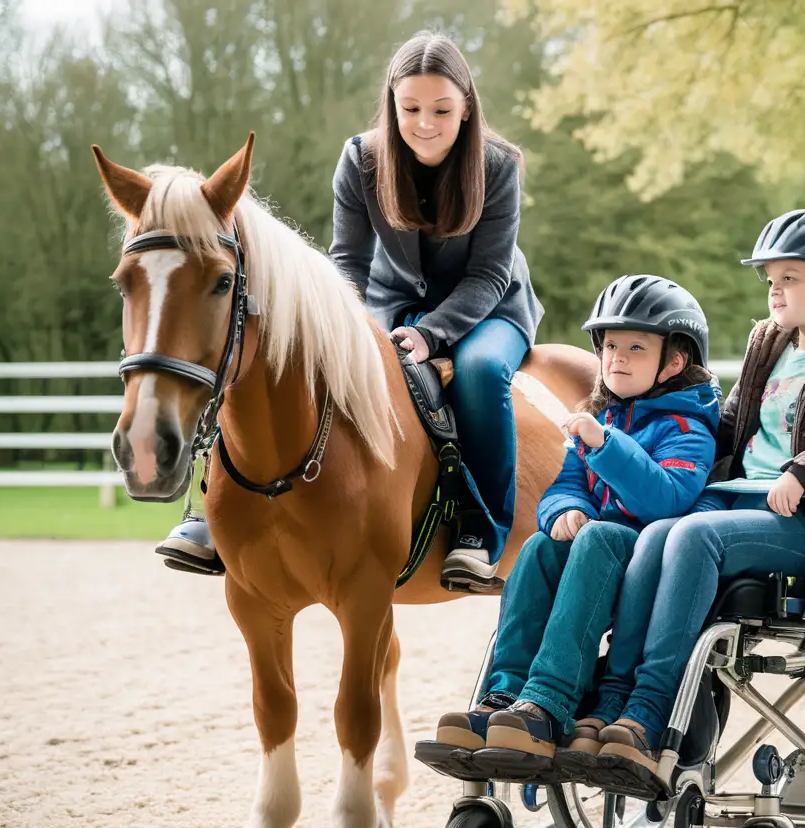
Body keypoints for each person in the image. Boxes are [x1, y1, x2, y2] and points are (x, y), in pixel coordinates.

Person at [156, 31, 543, 592]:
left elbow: (488, 274)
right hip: (390, 301)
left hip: (489, 308)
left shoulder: (499, 165)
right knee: (278, 356)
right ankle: (214, 513)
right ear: (392, 104)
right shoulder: (361, 159)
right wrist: (336, 328)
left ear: (466, 108)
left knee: (480, 373)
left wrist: (432, 336)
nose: (425, 123)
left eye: (441, 109)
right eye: (410, 108)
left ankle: (480, 533)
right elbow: (348, 265)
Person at [587, 209, 805, 781]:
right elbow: (731, 427)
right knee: (657, 534)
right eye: (770, 281)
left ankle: (649, 707)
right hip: (733, 504)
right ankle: (614, 698)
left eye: (790, 278)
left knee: (687, 535)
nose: (775, 292)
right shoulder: (769, 346)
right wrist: (653, 437)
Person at [427, 275, 719, 765]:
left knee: (601, 537)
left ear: (674, 361)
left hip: (649, 556)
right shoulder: (605, 417)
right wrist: (566, 509)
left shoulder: (688, 427)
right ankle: (503, 694)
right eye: (608, 346)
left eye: (635, 348)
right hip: (594, 549)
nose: (616, 358)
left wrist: (605, 447)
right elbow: (565, 484)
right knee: (541, 547)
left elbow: (666, 498)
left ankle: (549, 701)